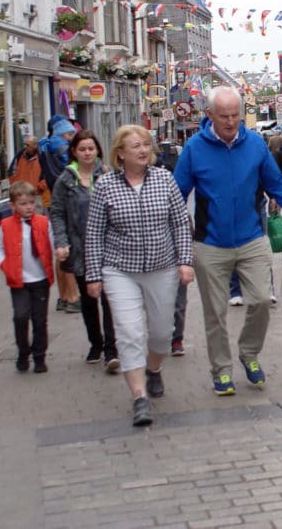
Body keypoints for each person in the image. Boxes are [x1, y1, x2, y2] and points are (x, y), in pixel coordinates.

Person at [174, 87, 282, 396]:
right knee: (215, 312)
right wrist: (175, 234)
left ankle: (249, 353)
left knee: (261, 300)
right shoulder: (194, 149)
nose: (231, 122)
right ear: (209, 116)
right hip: (210, 244)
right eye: (224, 116)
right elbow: (176, 194)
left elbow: (276, 183)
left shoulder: (255, 146)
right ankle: (221, 370)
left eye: (236, 115)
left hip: (252, 237)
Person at [85, 125, 194, 427]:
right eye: (136, 146)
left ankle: (154, 368)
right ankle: (139, 397)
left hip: (162, 267)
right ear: (120, 153)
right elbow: (94, 234)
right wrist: (93, 275)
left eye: (146, 144)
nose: (143, 150)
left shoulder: (165, 180)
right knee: (130, 333)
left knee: (161, 333)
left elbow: (180, 224)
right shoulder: (105, 185)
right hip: (120, 270)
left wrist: (185, 261)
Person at [50, 130, 119, 373]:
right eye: (82, 149)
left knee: (109, 299)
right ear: (74, 152)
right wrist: (61, 241)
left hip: (108, 248)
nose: (88, 152)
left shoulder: (109, 176)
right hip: (79, 248)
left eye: (91, 148)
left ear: (98, 150)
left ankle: (112, 349)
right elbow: (56, 212)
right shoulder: (66, 180)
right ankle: (96, 343)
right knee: (89, 299)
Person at [0, 181, 54, 372]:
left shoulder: (43, 222)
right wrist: (6, 267)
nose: (29, 207)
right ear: (13, 205)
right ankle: (23, 352)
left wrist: (59, 253)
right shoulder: (5, 225)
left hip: (40, 280)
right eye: (23, 203)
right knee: (20, 317)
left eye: (31, 202)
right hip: (19, 280)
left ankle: (39, 356)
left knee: (39, 319)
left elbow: (52, 243)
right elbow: (0, 249)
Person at [41, 116, 81, 313]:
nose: (73, 137)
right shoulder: (62, 148)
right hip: (67, 201)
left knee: (61, 249)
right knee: (68, 249)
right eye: (70, 133)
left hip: (52, 200)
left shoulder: (45, 147)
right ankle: (73, 297)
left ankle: (63, 296)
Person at [7, 135, 47, 201]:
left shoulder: (42, 157)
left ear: (35, 145)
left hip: (36, 195)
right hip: (20, 194)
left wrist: (40, 187)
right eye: (25, 144)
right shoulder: (20, 155)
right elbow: (11, 172)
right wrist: (15, 187)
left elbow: (47, 174)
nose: (25, 147)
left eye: (28, 145)